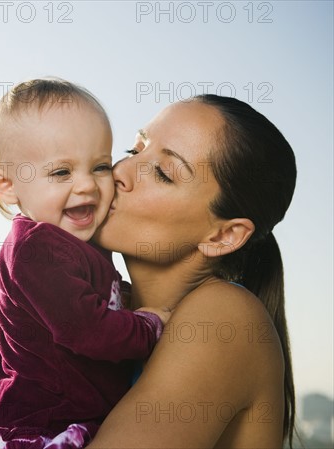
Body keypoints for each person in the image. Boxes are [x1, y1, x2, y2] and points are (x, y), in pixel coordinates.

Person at [0, 78, 171, 449]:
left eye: (100, 167)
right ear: (6, 186)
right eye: (61, 172)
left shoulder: (78, 240)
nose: (87, 185)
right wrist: (148, 326)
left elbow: (96, 298)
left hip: (64, 413)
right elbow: (86, 329)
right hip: (35, 423)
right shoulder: (36, 247)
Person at [87, 94, 297, 448]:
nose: (120, 172)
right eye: (135, 150)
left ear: (223, 235)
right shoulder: (101, 312)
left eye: (163, 173)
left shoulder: (224, 319)